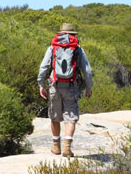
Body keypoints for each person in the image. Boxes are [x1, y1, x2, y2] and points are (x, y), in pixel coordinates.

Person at [38, 22, 93, 157]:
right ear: (72, 34)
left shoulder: (52, 47)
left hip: (54, 85)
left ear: (60, 33)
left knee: (55, 116)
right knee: (71, 117)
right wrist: (88, 87)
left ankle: (56, 147)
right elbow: (87, 71)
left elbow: (43, 67)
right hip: (71, 85)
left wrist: (41, 84)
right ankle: (67, 148)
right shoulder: (77, 48)